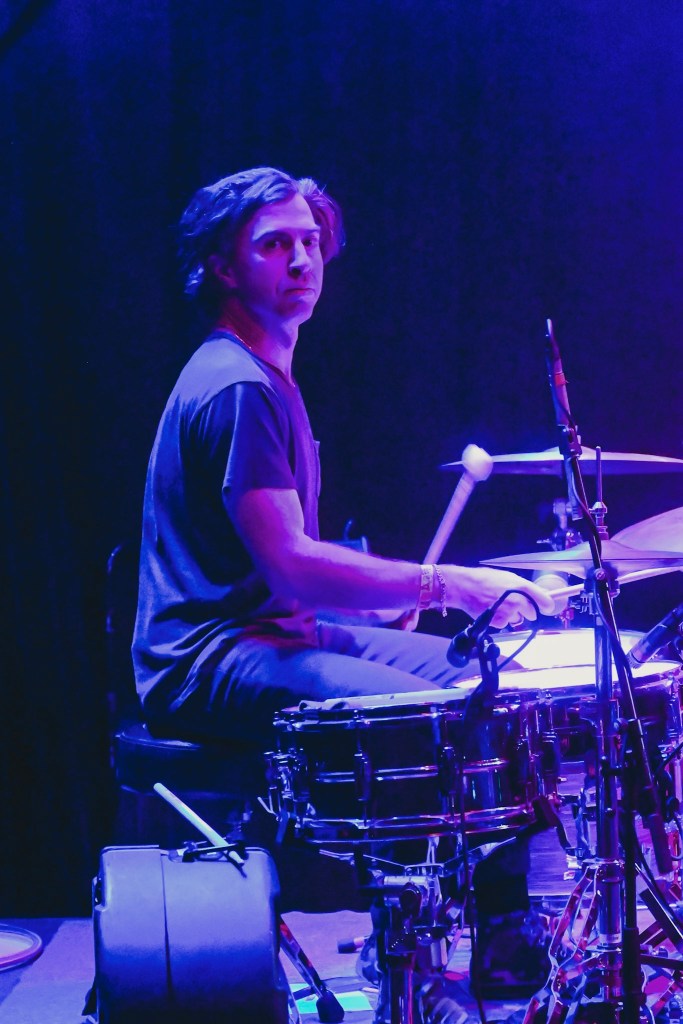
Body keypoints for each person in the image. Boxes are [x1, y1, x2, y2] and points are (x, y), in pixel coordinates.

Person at [132, 166, 555, 1006]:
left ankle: (502, 937)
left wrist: (391, 596)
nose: (302, 260)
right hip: (207, 658)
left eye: (310, 242)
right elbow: (291, 563)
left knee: (497, 688)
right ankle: (410, 942)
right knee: (425, 719)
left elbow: (283, 569)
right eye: (274, 245)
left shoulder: (265, 373)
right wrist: (446, 585)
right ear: (221, 266)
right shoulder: (237, 385)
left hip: (272, 632)